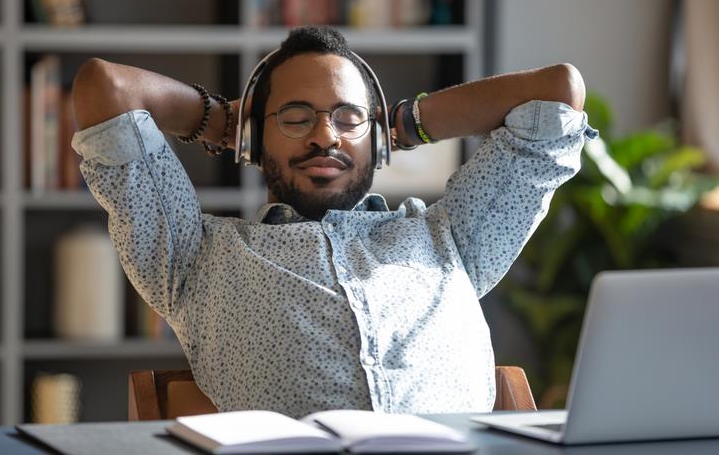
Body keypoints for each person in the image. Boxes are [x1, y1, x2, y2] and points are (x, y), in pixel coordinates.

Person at [71, 26, 595, 418]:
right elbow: (105, 88)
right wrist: (225, 121)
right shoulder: (194, 256)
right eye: (296, 118)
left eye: (348, 118)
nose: (326, 136)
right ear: (254, 142)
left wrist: (404, 125)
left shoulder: (453, 238)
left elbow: (557, 94)